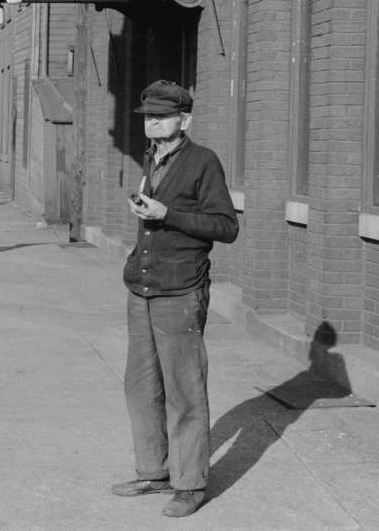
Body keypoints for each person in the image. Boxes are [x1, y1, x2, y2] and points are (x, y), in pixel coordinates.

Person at [111, 80, 238, 518]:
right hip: (142, 287)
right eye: (148, 116)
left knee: (184, 390)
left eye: (161, 116)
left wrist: (169, 215)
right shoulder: (152, 157)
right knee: (142, 386)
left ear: (185, 120)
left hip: (180, 290)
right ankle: (153, 471)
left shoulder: (203, 162)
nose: (152, 123)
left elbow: (226, 226)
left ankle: (190, 484)